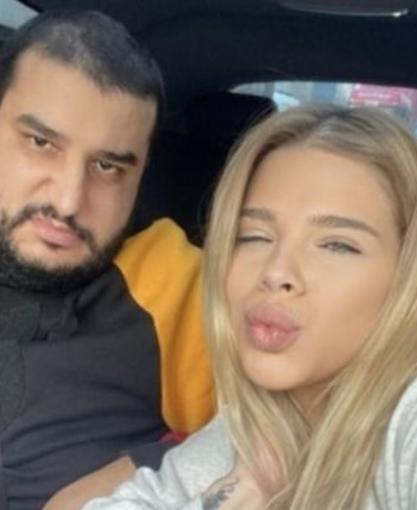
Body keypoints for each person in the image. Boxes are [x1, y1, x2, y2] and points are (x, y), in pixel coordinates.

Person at [84, 105, 417, 509]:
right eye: (253, 236)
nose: (276, 271)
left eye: (337, 245)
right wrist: (242, 491)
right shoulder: (267, 422)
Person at [0, 10, 214, 510]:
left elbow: (314, 422)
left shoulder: (174, 287)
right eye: (41, 143)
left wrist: (155, 470)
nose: (68, 201)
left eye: (107, 166)